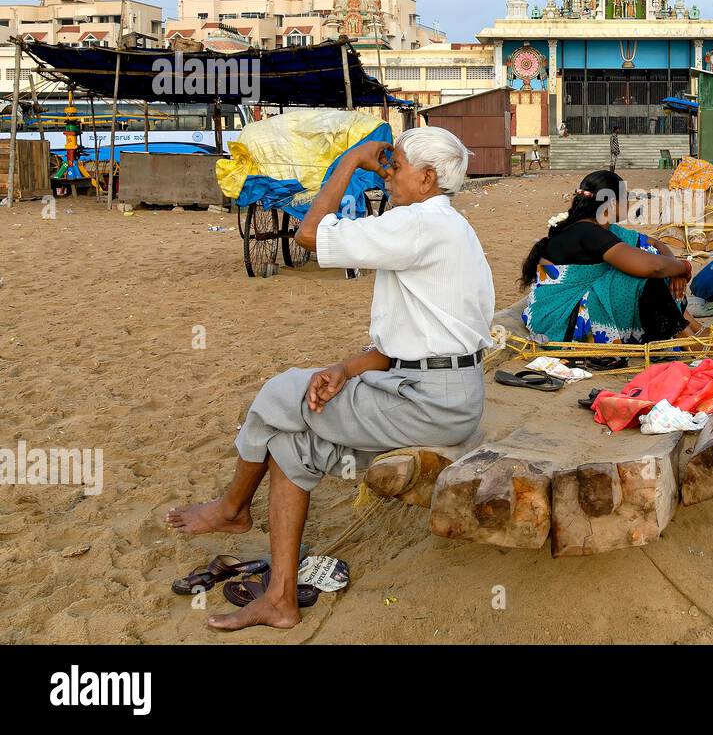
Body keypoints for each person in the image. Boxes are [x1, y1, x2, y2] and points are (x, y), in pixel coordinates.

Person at [166, 128, 494, 632]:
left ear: (427, 179)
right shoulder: (443, 226)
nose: (387, 172)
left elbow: (310, 233)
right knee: (292, 448)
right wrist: (343, 370)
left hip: (429, 402)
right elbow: (400, 348)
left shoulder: (421, 224)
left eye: (396, 165)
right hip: (436, 392)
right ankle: (279, 599)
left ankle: (232, 507)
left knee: (280, 390)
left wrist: (347, 162)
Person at [520, 169, 709, 344]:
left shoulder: (603, 229)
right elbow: (654, 267)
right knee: (637, 275)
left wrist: (675, 269)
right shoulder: (588, 232)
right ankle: (690, 342)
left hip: (574, 312)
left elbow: (656, 245)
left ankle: (695, 331)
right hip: (560, 322)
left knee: (649, 261)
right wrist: (684, 267)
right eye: (625, 197)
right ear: (611, 202)